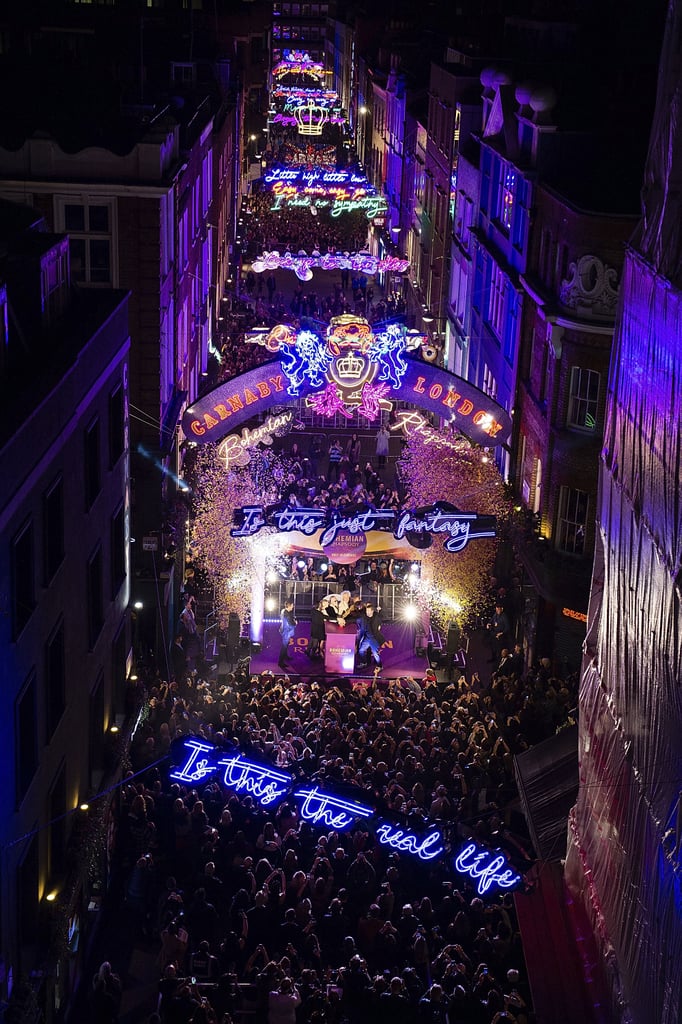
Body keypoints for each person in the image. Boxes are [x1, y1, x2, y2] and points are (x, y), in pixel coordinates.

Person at [356, 603, 383, 669]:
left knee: (375, 653)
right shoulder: (364, 617)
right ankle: (364, 662)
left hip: (374, 638)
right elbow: (358, 618)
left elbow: (379, 626)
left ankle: (380, 666)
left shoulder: (376, 617)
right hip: (367, 638)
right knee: (361, 651)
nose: (367, 612)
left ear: (372, 611)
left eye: (368, 611)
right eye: (366, 611)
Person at [278, 600, 297, 669]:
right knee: (284, 646)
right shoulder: (287, 614)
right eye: (292, 605)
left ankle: (285, 656)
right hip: (286, 631)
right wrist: (295, 623)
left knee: (286, 645)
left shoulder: (283, 611)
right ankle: (280, 662)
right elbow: (291, 623)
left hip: (284, 630)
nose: (293, 607)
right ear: (289, 606)